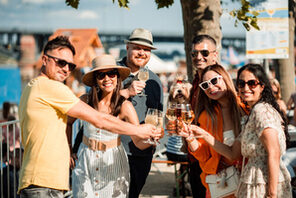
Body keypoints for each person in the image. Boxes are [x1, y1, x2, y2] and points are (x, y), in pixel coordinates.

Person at [18, 36, 157, 198]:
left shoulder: (34, 86)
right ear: (44, 60)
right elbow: (100, 120)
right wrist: (141, 130)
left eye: (70, 65)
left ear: (117, 77)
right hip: (45, 181)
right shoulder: (51, 88)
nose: (66, 69)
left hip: (47, 180)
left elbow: (137, 140)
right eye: (61, 62)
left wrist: (149, 136)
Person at [188, 64, 292, 198]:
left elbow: (274, 152)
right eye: (241, 84)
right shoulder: (252, 112)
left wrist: (272, 194)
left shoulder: (260, 111)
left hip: (263, 183)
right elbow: (232, 153)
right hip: (241, 183)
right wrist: (201, 135)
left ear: (262, 86)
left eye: (252, 83)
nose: (246, 88)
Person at [67, 54, 158, 197]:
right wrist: (69, 150)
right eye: (101, 75)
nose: (107, 78)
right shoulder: (85, 101)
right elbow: (67, 122)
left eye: (111, 74)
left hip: (113, 161)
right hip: (85, 160)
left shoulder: (125, 106)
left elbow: (138, 141)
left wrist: (152, 139)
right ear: (96, 80)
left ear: (117, 78)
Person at [179, 64, 244, 197]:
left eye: (214, 81)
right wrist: (190, 138)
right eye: (205, 85)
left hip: (247, 178)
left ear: (225, 78)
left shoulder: (244, 107)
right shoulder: (207, 116)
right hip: (222, 182)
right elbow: (203, 155)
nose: (210, 87)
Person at [117, 28, 163, 198]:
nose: (142, 52)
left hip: (141, 152)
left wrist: (157, 134)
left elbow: (157, 116)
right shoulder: (111, 72)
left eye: (147, 49)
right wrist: (126, 91)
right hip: (113, 149)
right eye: (137, 47)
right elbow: (95, 106)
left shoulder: (154, 80)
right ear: (127, 47)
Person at [188, 35, 219, 198]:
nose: (199, 57)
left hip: (214, 160)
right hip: (196, 155)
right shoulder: (194, 82)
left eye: (204, 52)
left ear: (215, 55)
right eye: (194, 54)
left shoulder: (219, 83)